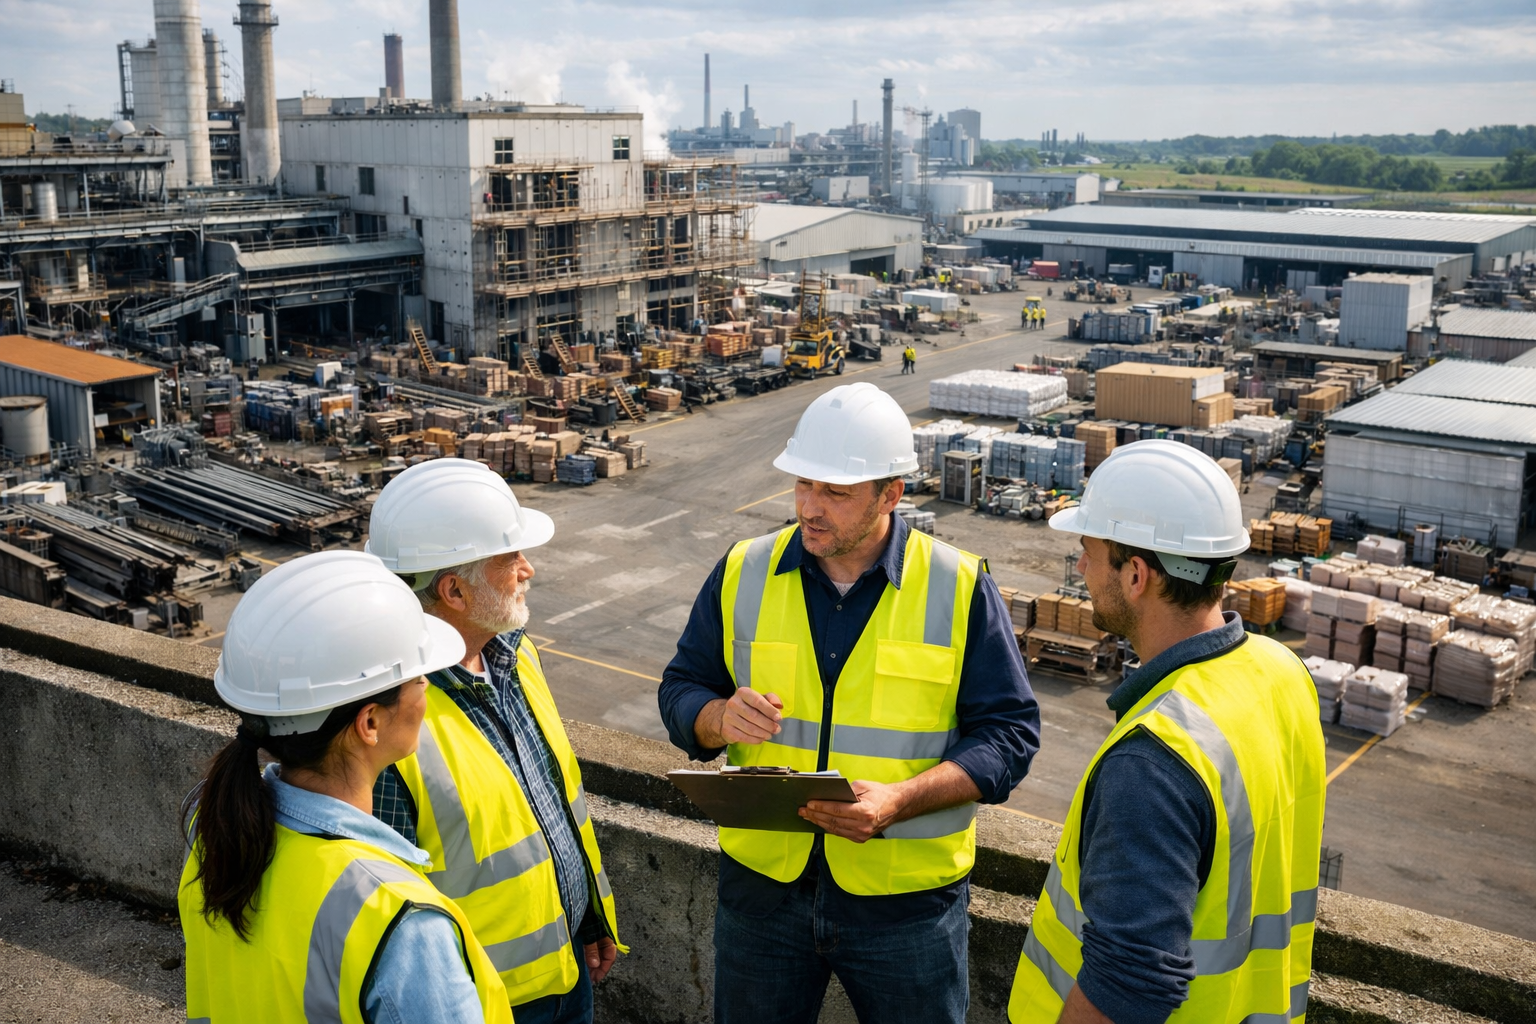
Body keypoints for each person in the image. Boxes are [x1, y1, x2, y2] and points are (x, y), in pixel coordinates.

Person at [659, 382, 1041, 1024]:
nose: (811, 507)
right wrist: (716, 718)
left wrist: (900, 801)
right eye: (804, 484)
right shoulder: (742, 569)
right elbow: (681, 688)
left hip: (904, 905)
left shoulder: (957, 586)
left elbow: (1008, 736)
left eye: (835, 492)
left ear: (891, 494)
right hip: (762, 896)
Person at [1008, 440, 1326, 1024]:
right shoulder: (1281, 671)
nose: (1079, 568)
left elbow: (1130, 979)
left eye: (1088, 551)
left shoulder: (1154, 760)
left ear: (1135, 574)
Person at [180, 550, 511, 1024]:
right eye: (417, 678)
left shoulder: (213, 832)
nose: (425, 687)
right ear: (370, 722)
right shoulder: (399, 919)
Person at [366, 459, 624, 1024]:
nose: (528, 570)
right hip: (480, 1002)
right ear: (454, 590)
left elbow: (548, 808)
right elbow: (383, 905)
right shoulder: (388, 718)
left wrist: (586, 918)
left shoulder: (515, 654)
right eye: (511, 560)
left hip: (566, 968)